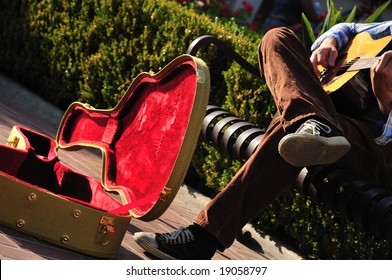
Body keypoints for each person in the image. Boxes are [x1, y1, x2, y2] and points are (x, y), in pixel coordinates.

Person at [133, 21, 392, 260]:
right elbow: (351, 27)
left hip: (378, 148)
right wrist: (330, 42)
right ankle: (312, 121)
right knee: (276, 37)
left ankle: (202, 237)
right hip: (338, 121)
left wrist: (385, 103)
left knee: (287, 128)